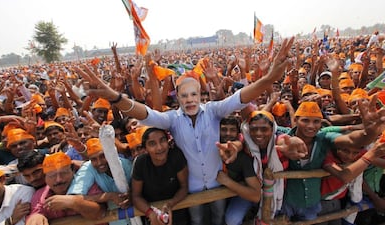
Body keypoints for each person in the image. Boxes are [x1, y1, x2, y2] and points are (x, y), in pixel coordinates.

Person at [75, 37, 296, 225]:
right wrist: (115, 97)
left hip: (218, 183)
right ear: (178, 97)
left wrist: (268, 79)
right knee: (198, 221)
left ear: (200, 95)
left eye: (193, 95)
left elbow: (240, 98)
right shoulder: (172, 120)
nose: (189, 99)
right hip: (191, 188)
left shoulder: (214, 111)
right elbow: (145, 114)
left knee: (219, 218)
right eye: (184, 95)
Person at [278, 99, 385, 222]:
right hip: (287, 202)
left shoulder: (323, 139)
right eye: (305, 120)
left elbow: (352, 140)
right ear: (296, 120)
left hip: (312, 204)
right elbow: (277, 137)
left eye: (316, 121)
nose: (311, 126)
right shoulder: (285, 136)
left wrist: (370, 131)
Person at [26, 152, 106, 225]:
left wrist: (75, 202)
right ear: (45, 177)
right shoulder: (40, 196)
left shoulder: (86, 184)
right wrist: (35, 217)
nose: (58, 179)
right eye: (52, 175)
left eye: (63, 173)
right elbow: (36, 213)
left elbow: (101, 213)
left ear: (72, 170)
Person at [67, 138, 132, 225]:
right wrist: (108, 196)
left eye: (103, 156)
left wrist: (133, 195)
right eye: (94, 159)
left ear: (110, 154)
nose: (99, 163)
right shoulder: (89, 167)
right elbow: (74, 198)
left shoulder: (126, 165)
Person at [132, 127, 189, 225]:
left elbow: (184, 187)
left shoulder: (176, 156)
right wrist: (151, 214)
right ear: (145, 149)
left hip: (178, 209)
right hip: (150, 213)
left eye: (162, 141)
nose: (159, 147)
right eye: (152, 144)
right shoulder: (140, 163)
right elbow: (136, 196)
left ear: (168, 142)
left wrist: (170, 204)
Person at [216, 116, 261, 225]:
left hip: (240, 195)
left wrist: (227, 182)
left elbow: (256, 195)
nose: (227, 134)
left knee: (232, 220)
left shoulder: (243, 158)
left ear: (238, 133)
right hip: (217, 198)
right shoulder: (210, 151)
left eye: (232, 130)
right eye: (223, 129)